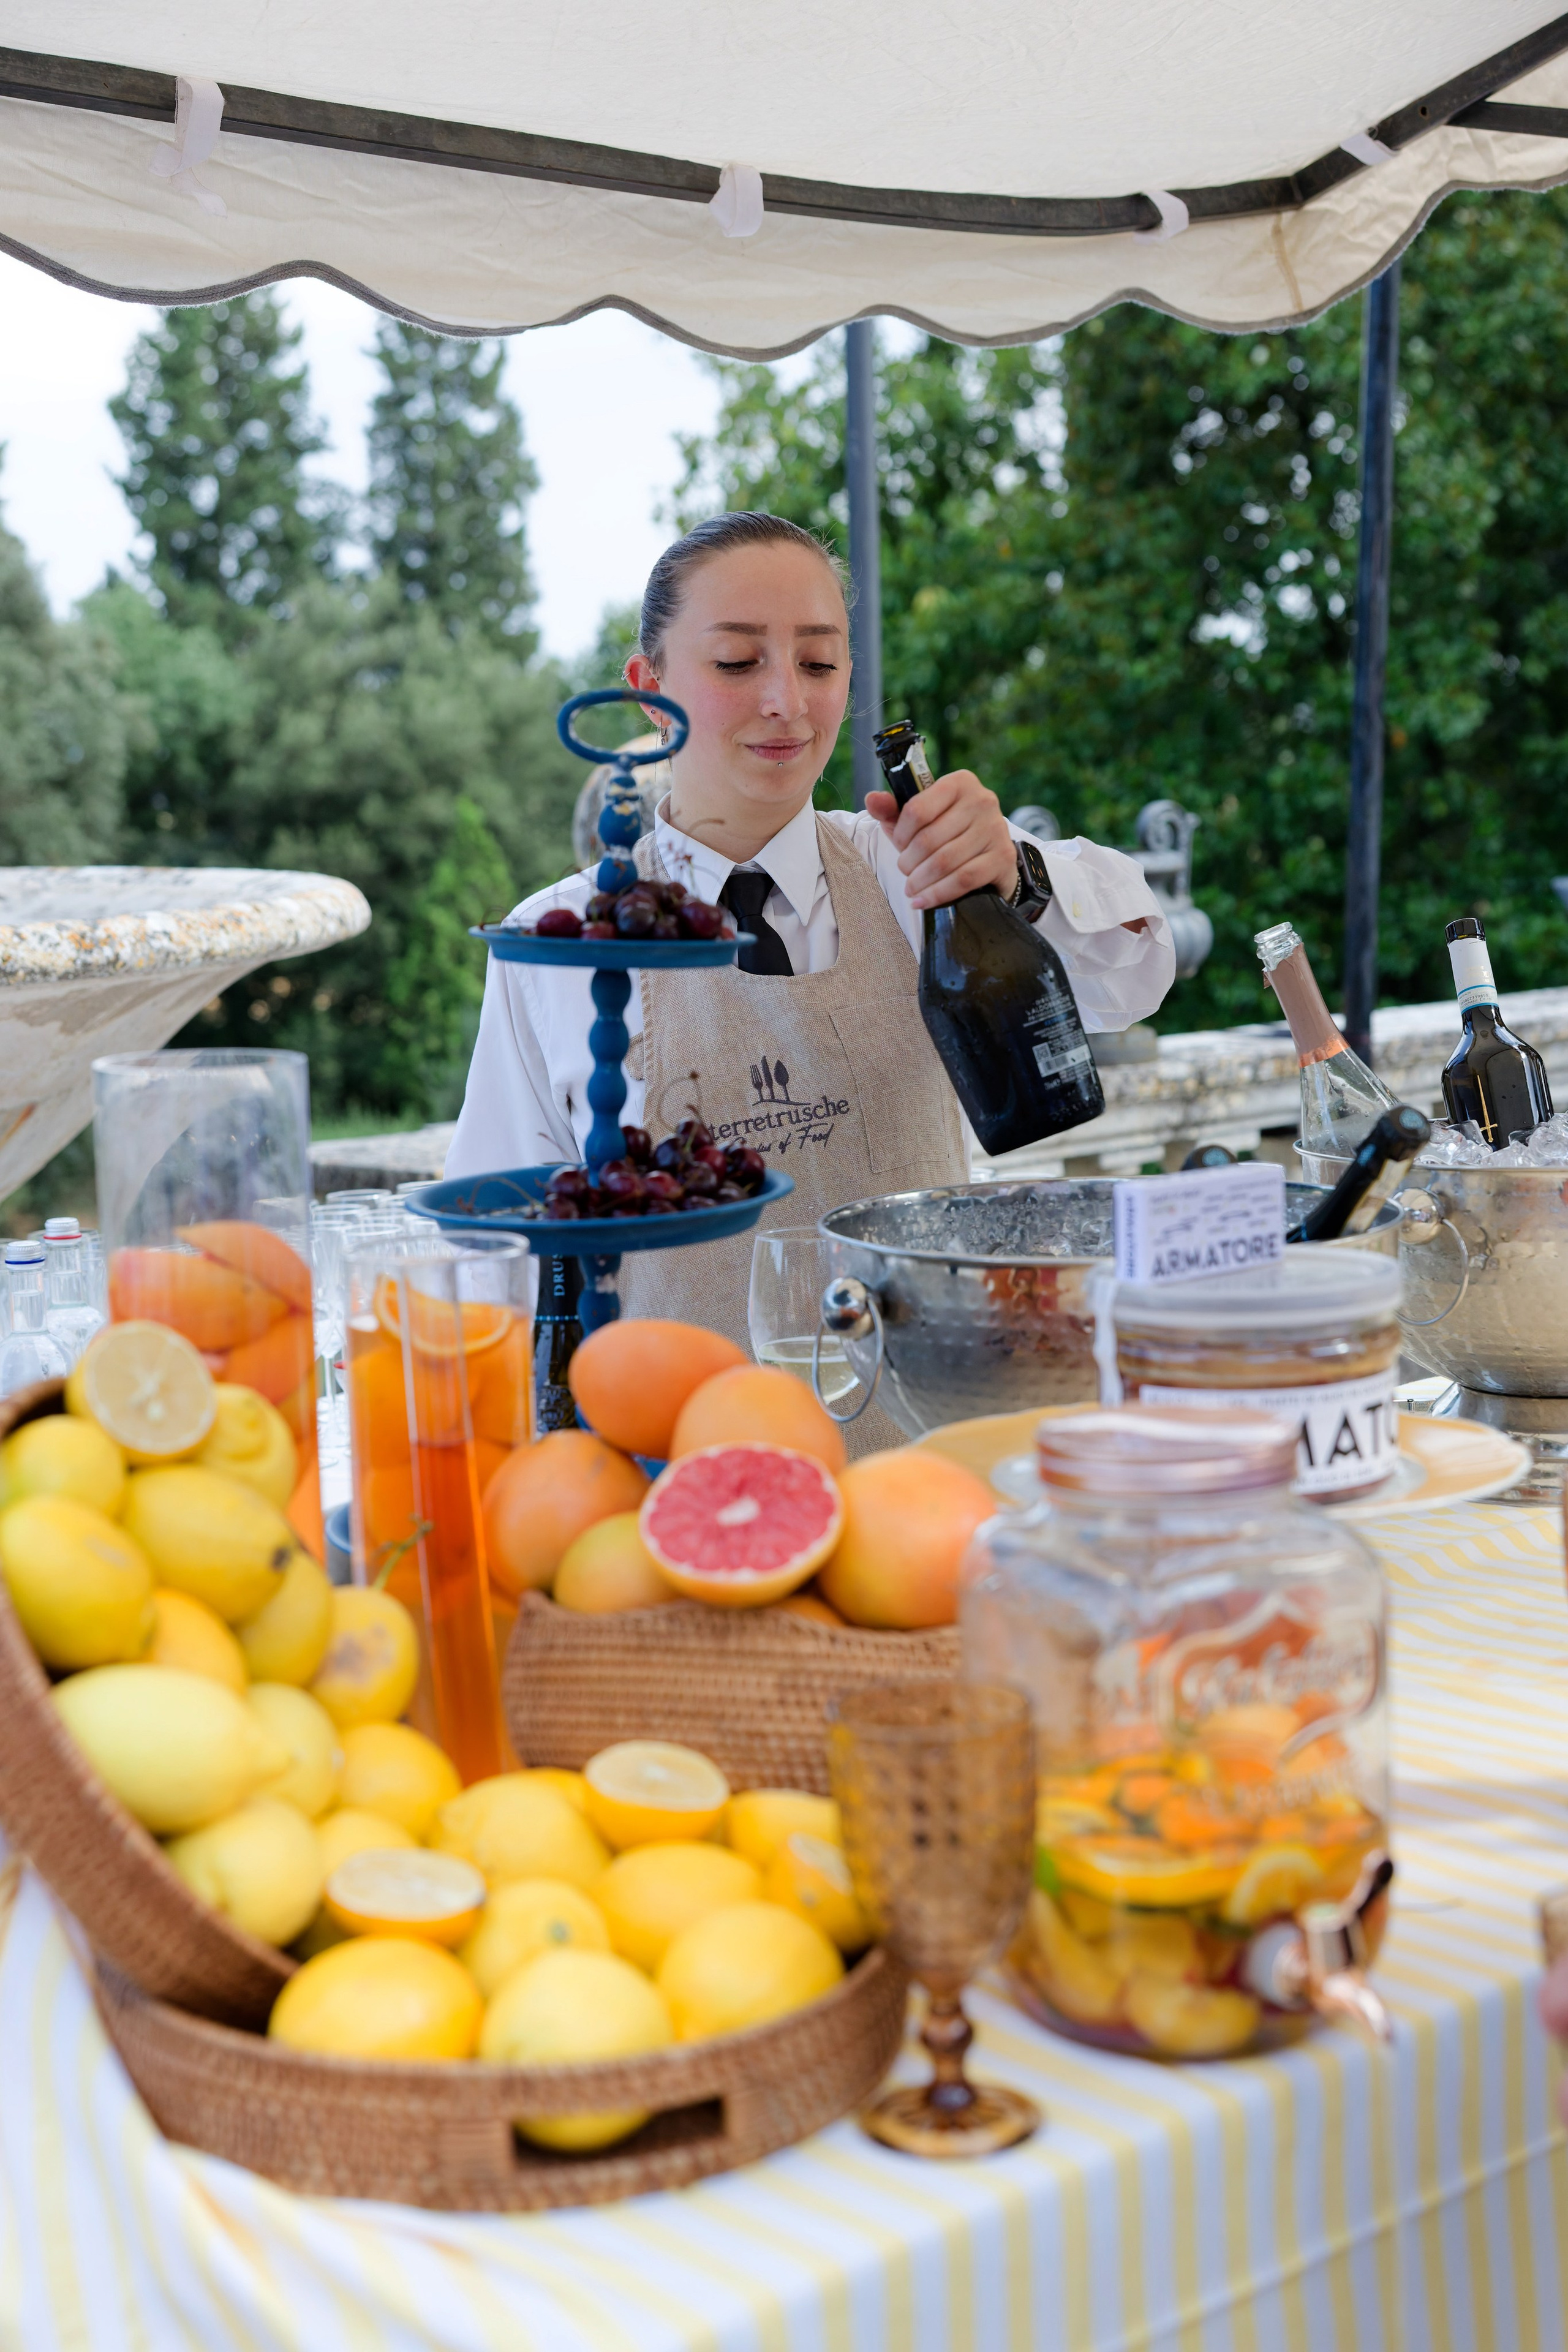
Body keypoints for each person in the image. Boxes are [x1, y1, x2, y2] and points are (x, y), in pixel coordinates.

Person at [449, 511, 1174, 1384]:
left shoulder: (913, 868)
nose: (786, 701)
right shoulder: (558, 947)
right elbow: (485, 1264)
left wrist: (1019, 874)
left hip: (929, 1457)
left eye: (820, 662)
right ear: (649, 691)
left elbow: (1136, 975)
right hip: (682, 1474)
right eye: (736, 662)